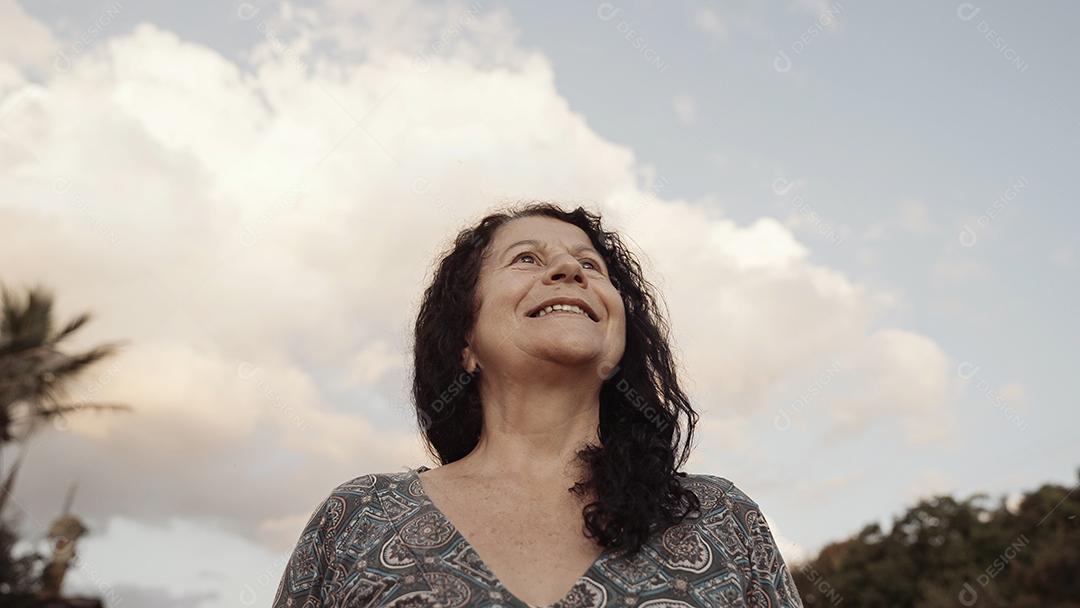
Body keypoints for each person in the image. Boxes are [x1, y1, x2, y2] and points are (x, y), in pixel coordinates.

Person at [272, 202, 804, 607]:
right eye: (526, 258)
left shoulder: (722, 520)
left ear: (617, 344)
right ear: (465, 341)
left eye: (590, 267)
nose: (569, 271)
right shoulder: (359, 518)